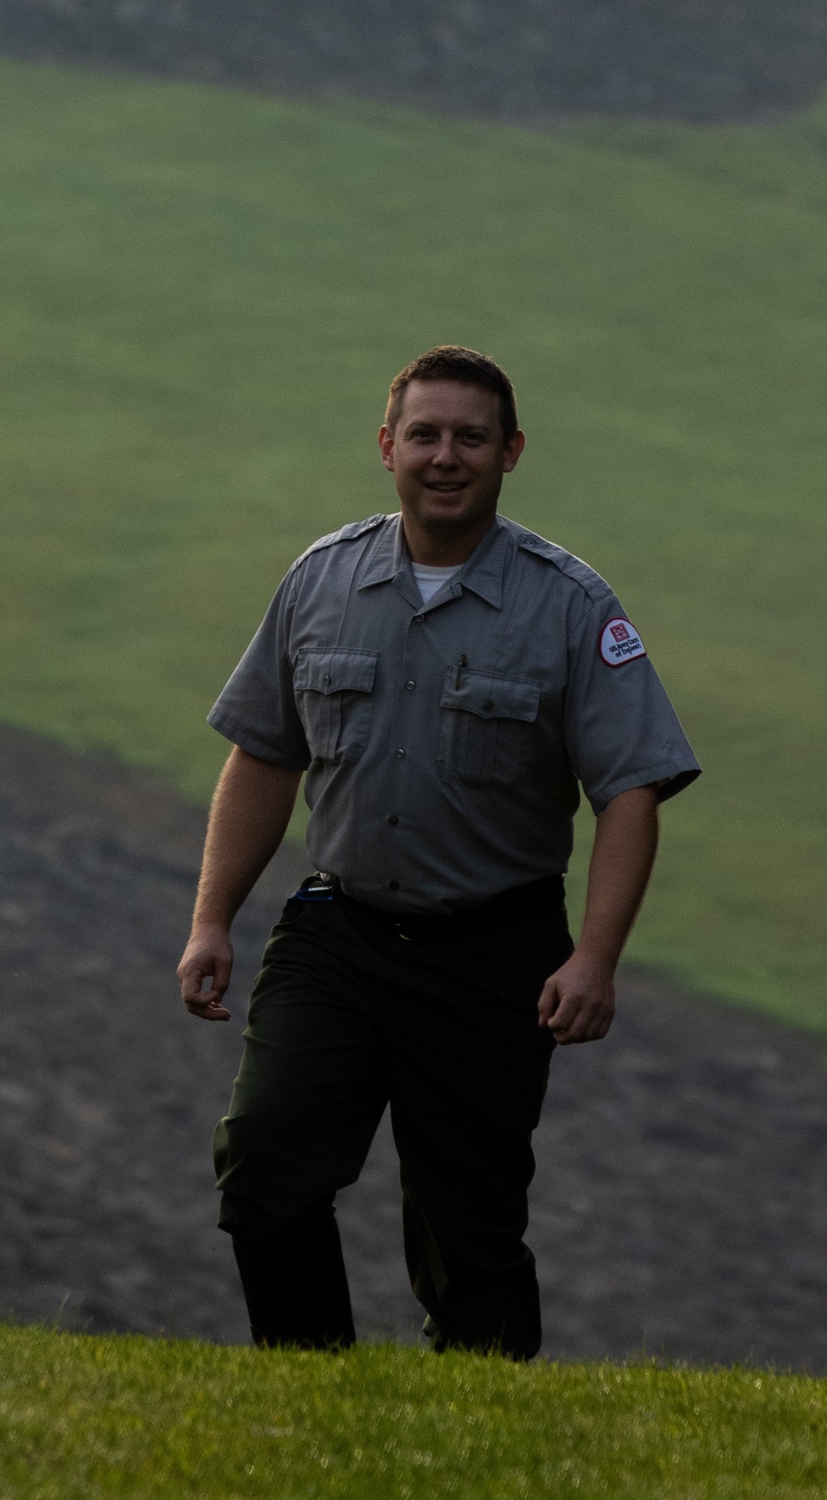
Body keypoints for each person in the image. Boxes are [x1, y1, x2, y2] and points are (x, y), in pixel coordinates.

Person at [177, 345, 700, 1359]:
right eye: (424, 435)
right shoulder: (321, 580)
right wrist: (210, 920)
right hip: (337, 934)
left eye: (470, 437)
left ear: (510, 453)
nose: (445, 456)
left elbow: (631, 790)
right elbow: (261, 758)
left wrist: (592, 959)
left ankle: (481, 1438)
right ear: (386, 448)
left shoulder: (569, 605)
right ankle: (309, 1390)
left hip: (493, 953)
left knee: (471, 1230)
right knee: (264, 1162)